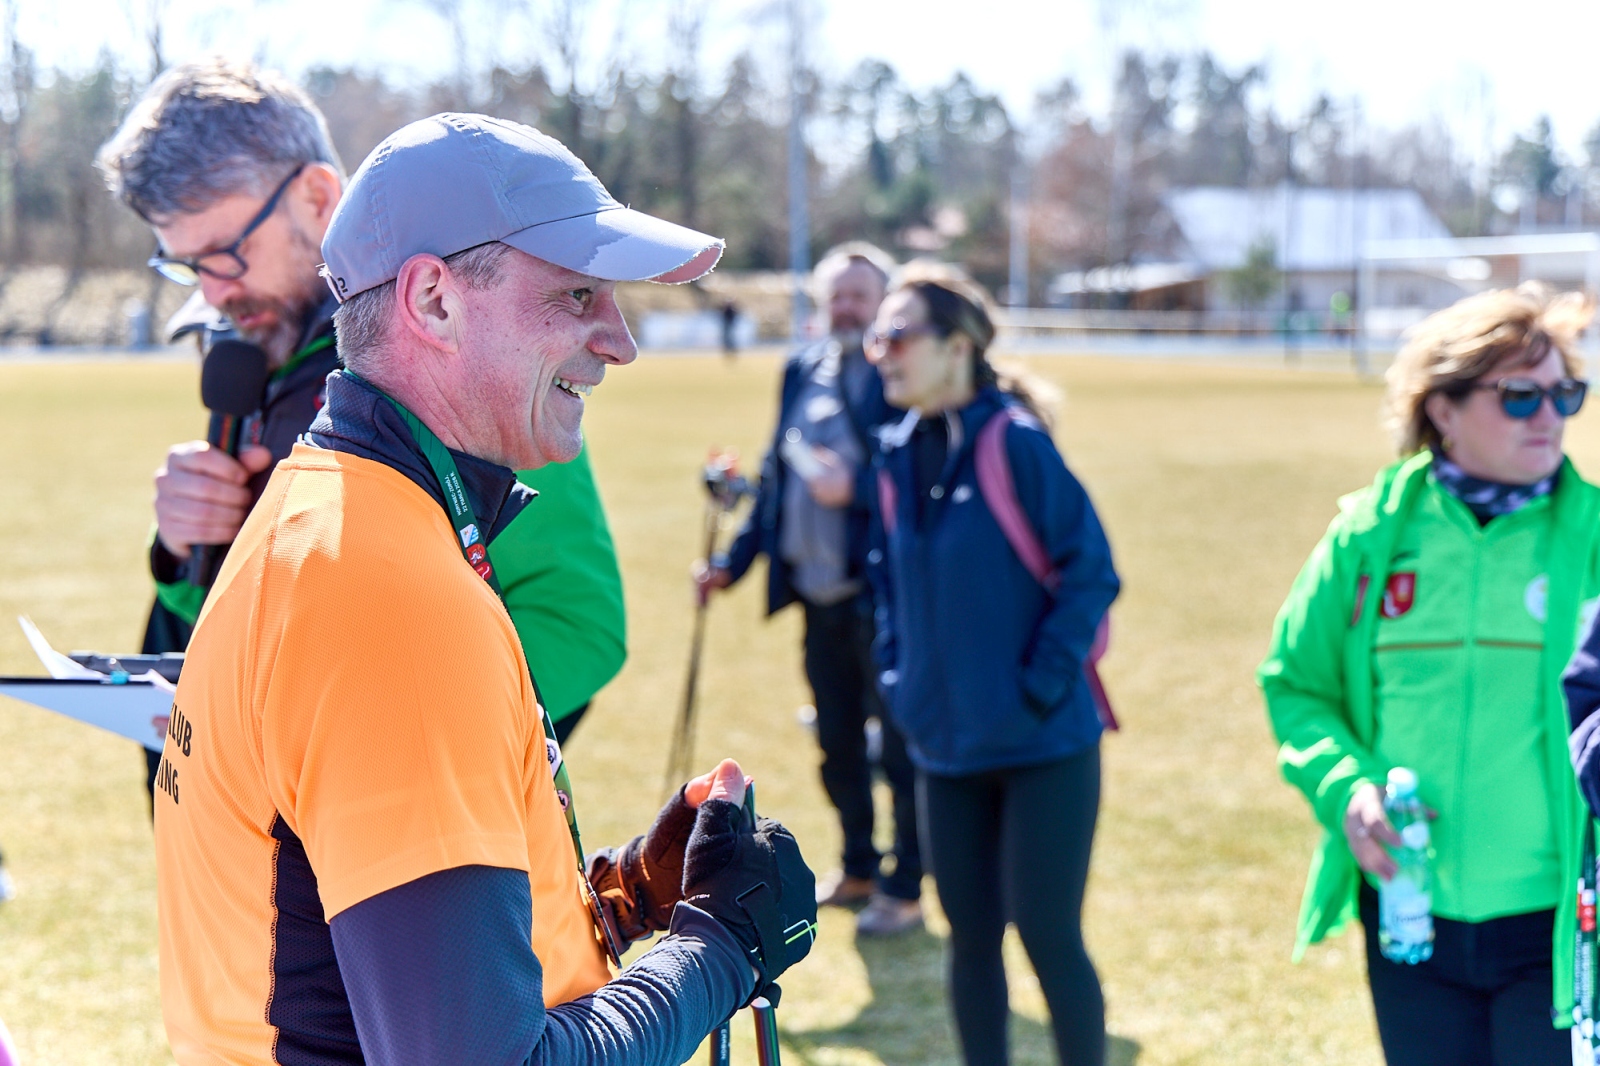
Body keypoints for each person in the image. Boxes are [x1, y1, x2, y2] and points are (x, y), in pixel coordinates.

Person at [152, 112, 817, 1065]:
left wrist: (626, 894)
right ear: (433, 300)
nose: (618, 340)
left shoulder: (335, 518)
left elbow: (356, 932)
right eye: (578, 292)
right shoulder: (386, 595)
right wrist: (719, 952)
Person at [96, 62, 624, 803]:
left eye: (224, 255)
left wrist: (377, 738)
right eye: (187, 267)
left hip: (390, 850)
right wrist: (184, 550)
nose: (214, 292)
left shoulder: (449, 350)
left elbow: (579, 624)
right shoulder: (247, 352)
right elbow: (233, 623)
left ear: (316, 197)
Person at [1260, 284, 1600, 1064]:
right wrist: (1347, 785)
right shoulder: (1367, 538)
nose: (1550, 417)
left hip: (1558, 922)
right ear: (1440, 407)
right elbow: (1295, 684)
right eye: (1520, 397)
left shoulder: (1594, 537)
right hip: (1409, 918)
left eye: (1565, 394)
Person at [866, 266, 1118, 1066]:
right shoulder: (897, 456)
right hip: (945, 750)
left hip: (1045, 746)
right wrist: (902, 686)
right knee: (970, 943)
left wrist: (1037, 688)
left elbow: (1090, 574)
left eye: (898, 336)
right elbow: (885, 588)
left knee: (1049, 938)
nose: (881, 354)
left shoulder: (1016, 443)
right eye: (877, 338)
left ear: (959, 347)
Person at [697, 242, 924, 936]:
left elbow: (920, 476)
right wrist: (732, 565)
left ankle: (905, 886)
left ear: (884, 303)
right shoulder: (801, 368)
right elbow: (777, 475)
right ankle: (858, 866)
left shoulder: (898, 377)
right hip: (817, 598)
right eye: (838, 296)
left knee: (901, 749)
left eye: (860, 295)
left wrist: (858, 489)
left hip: (879, 597)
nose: (847, 308)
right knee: (836, 742)